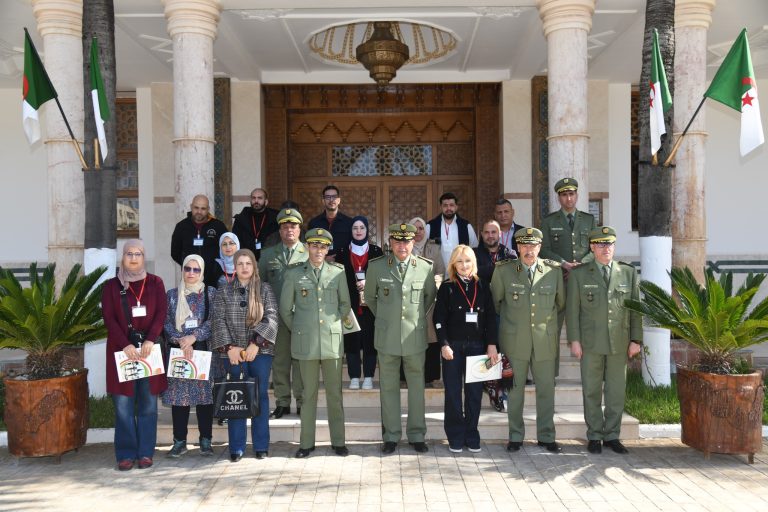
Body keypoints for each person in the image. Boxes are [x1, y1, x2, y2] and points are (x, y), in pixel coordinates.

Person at [567, 226, 643, 454]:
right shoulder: (580, 274)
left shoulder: (627, 273)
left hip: (619, 342)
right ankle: (594, 435)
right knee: (591, 390)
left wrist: (636, 339)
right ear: (592, 247)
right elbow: (572, 311)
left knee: (616, 391)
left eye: (609, 244)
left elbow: (635, 309)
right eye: (600, 244)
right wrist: (575, 340)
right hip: (591, 342)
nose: (605, 248)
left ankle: (612, 435)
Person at [490, 228, 565, 453]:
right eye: (524, 246)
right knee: (514, 390)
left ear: (540, 247)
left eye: (533, 246)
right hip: (514, 341)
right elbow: (495, 304)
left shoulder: (553, 272)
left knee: (545, 389)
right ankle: (515, 436)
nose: (529, 250)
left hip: (544, 341)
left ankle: (546, 435)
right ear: (518, 248)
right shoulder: (504, 271)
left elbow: (560, 304)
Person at [364, 223, 437, 454]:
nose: (402, 246)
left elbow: (429, 299)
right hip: (387, 337)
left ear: (413, 242)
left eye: (406, 241)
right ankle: (391, 436)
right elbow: (370, 299)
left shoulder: (425, 267)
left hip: (414, 337)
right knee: (388, 388)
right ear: (390, 244)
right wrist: (388, 319)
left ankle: (416, 434)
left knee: (417, 388)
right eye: (397, 241)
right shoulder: (376, 267)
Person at [280, 228, 352, 458]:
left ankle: (338, 441)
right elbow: (285, 309)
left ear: (328, 248)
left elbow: (345, 305)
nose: (318, 250)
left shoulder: (338, 272)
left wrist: (331, 325)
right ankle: (306, 443)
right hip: (306, 343)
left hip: (331, 342)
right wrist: (301, 329)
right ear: (307, 247)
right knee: (308, 394)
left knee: (334, 394)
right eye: (314, 245)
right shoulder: (293, 274)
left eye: (323, 246)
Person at [102, 240, 168, 471]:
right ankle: (126, 453)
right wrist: (124, 345)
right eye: (129, 253)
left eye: (137, 253)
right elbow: (109, 319)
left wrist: (150, 339)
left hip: (149, 351)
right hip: (122, 353)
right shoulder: (111, 286)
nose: (133, 258)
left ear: (144, 257)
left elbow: (161, 313)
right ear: (123, 257)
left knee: (148, 405)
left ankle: (145, 453)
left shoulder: (155, 283)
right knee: (123, 405)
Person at [211, 249, 278, 462]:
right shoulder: (224, 291)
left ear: (254, 266)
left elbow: (272, 318)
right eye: (240, 263)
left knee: (261, 397)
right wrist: (230, 348)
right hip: (232, 354)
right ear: (234, 266)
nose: (244, 267)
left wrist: (255, 345)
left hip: (260, 352)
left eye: (248, 263)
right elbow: (218, 321)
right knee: (236, 398)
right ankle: (236, 447)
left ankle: (261, 446)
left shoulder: (265, 290)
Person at [433, 245, 498, 453]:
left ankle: (471, 434)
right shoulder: (447, 287)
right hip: (453, 348)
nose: (464, 265)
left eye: (467, 261)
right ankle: (455, 435)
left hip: (478, 347)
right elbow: (438, 318)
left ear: (474, 263)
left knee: (474, 394)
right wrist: (443, 344)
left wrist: (491, 345)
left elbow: (490, 318)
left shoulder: (484, 286)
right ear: (453, 264)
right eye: (459, 261)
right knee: (452, 393)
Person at [162, 255, 216, 458]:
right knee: (179, 398)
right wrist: (180, 340)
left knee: (204, 398)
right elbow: (166, 322)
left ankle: (205, 440)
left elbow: (213, 321)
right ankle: (179, 441)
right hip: (179, 352)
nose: (191, 273)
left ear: (201, 271)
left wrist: (194, 337)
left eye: (196, 269)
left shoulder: (210, 293)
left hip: (201, 350)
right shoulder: (172, 295)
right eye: (187, 269)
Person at [258, 208, 308, 418]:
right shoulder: (268, 254)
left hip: (302, 318)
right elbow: (260, 285)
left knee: (301, 361)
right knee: (280, 361)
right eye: (285, 226)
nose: (289, 230)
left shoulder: (309, 253)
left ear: (299, 230)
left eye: (293, 226)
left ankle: (302, 401)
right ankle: (282, 402)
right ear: (279, 231)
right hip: (276, 318)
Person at [335, 216, 383, 390]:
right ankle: (354, 376)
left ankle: (369, 376)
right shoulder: (341, 253)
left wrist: (368, 284)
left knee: (370, 341)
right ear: (351, 230)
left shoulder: (377, 252)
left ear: (367, 230)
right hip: (349, 304)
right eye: (355, 228)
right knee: (352, 340)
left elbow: (381, 279)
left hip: (371, 305)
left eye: (362, 227)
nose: (358, 231)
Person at [410, 216, 446, 386]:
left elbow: (440, 271)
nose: (418, 232)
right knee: (410, 338)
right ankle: (407, 377)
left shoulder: (433, 248)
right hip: (409, 300)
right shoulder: (404, 248)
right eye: (415, 228)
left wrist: (433, 287)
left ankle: (430, 376)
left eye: (421, 228)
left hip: (430, 300)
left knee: (431, 338)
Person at [171, 194, 229, 288]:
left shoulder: (218, 226)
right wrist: (189, 265)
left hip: (213, 279)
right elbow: (175, 252)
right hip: (190, 277)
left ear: (208, 209)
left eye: (203, 208)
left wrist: (215, 266)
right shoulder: (181, 227)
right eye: (196, 208)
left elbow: (227, 249)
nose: (199, 211)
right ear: (191, 207)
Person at [540, 178, 595, 275]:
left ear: (577, 196)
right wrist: (563, 264)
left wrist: (582, 263)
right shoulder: (548, 221)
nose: (568, 198)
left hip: (585, 273)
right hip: (559, 273)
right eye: (564, 195)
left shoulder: (589, 220)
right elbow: (543, 250)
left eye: (571, 194)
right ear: (558, 198)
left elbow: (596, 247)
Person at [425, 192, 479, 269]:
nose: (448, 208)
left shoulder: (466, 226)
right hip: (437, 274)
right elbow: (424, 248)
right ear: (441, 207)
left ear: (456, 207)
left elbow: (474, 249)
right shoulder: (430, 226)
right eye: (445, 205)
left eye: (451, 205)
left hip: (460, 273)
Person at [231, 187, 279, 260]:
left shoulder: (275, 219)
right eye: (253, 198)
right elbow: (235, 241)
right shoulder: (241, 219)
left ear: (266, 202)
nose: (256, 201)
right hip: (246, 259)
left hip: (269, 259)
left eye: (260, 198)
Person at [308, 185, 353, 260]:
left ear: (339, 200)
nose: (331, 200)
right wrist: (324, 258)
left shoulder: (349, 222)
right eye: (328, 197)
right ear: (323, 201)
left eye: (334, 197)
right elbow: (309, 247)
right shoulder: (314, 223)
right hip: (320, 266)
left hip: (343, 267)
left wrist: (338, 258)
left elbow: (353, 247)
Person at [474, 220, 515, 284]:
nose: (490, 235)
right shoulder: (473, 254)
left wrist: (485, 270)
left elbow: (511, 272)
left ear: (500, 234)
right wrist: (502, 267)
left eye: (493, 232)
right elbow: (474, 272)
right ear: (482, 234)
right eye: (486, 232)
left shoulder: (510, 253)